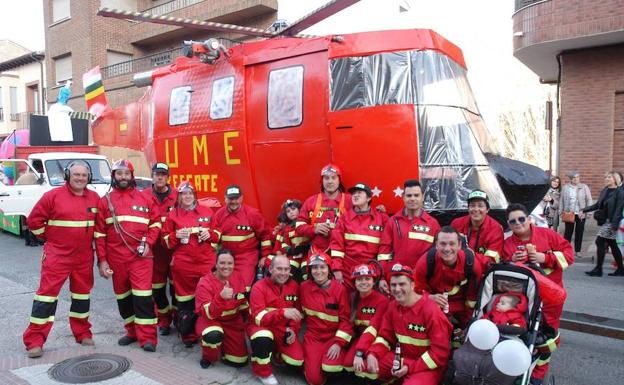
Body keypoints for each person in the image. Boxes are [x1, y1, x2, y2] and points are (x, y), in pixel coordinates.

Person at [22, 161, 100, 358]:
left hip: (83, 256)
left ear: (88, 177)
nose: (80, 178)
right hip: (58, 255)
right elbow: (34, 222)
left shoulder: (94, 197)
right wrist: (49, 239)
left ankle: (82, 333)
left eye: (84, 175)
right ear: (67, 175)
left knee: (82, 296)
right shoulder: (53, 196)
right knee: (46, 297)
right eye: (76, 174)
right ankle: (35, 341)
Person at [502, 203, 574, 385]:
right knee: (526, 335)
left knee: (547, 338)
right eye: (513, 221)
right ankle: (520, 369)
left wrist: (546, 258)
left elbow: (569, 255)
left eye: (521, 219)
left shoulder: (547, 235)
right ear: (508, 225)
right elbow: (501, 271)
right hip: (523, 300)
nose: (518, 223)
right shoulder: (508, 244)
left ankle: (537, 376)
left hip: (551, 299)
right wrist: (511, 261)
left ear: (529, 219)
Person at [95, 159, 161, 352]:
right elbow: (99, 235)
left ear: (132, 176)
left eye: (126, 174)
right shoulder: (105, 201)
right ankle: (132, 332)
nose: (123, 177)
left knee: (143, 297)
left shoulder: (146, 198)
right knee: (123, 298)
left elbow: (156, 223)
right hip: (116, 259)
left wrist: (148, 243)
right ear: (114, 176)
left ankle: (148, 338)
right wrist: (103, 261)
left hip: (141, 258)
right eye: (119, 173)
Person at [362, 263, 452, 385]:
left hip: (427, 366)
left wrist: (410, 368)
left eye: (402, 284)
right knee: (366, 366)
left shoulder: (431, 311)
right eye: (393, 285)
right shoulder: (393, 306)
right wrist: (373, 353)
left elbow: (439, 354)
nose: (397, 289)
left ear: (412, 285)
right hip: (401, 359)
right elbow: (385, 338)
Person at [163, 181, 221, 346]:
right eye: (183, 194)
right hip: (184, 265)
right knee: (186, 300)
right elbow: (165, 242)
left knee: (208, 297)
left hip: (206, 263)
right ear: (179, 197)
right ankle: (187, 333)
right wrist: (175, 235)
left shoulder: (207, 212)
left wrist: (209, 234)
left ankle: (209, 331)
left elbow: (218, 234)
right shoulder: (173, 215)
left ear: (195, 195)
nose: (187, 197)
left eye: (190, 193)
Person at [414, 226, 482, 335]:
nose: (447, 249)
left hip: (462, 307)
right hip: (434, 305)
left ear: (459, 245)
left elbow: (472, 299)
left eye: (452, 244)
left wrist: (467, 325)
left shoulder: (471, 264)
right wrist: (429, 298)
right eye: (443, 244)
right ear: (436, 245)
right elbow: (415, 293)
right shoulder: (425, 263)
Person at [248, 254, 304, 385]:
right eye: (279, 269)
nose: (283, 273)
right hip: (262, 327)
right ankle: (263, 372)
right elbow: (259, 318)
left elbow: (297, 313)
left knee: (297, 362)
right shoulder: (259, 287)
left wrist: (293, 329)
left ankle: (275, 353)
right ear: (271, 269)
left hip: (282, 329)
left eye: (286, 269)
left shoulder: (294, 286)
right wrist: (282, 312)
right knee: (263, 337)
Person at [300, 251, 352, 385]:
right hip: (313, 337)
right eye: (314, 268)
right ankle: (311, 367)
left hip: (333, 337)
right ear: (309, 270)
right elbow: (298, 313)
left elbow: (346, 321)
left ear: (329, 269)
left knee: (331, 366)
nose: (319, 271)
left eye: (322, 267)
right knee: (314, 380)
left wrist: (338, 343)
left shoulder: (339, 289)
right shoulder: (304, 288)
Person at [378, 179, 440, 291]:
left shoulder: (433, 224)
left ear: (422, 197)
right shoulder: (393, 221)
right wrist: (382, 277)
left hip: (421, 282)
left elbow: (437, 256)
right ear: (403, 197)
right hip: (396, 280)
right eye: (409, 195)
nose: (412, 199)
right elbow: (384, 252)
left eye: (416, 195)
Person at [194, 249, 249, 369]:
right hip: (211, 321)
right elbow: (207, 313)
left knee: (240, 361)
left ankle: (225, 346)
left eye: (230, 263)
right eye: (222, 263)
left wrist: (248, 319)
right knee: (213, 335)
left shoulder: (238, 277)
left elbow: (242, 302)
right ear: (216, 264)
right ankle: (208, 357)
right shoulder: (205, 282)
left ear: (234, 264)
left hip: (233, 323)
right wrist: (220, 297)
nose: (226, 267)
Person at [212, 185, 272, 291]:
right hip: (226, 256)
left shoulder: (252, 214)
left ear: (241, 198)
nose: (234, 201)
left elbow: (265, 235)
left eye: (236, 198)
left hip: (247, 256)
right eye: (231, 198)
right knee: (223, 286)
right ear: (225, 198)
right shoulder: (219, 215)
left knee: (244, 287)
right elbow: (214, 239)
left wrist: (265, 256)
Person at [330, 183, 388, 289]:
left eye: (359, 193)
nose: (355, 195)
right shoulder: (344, 218)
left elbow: (385, 251)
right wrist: (337, 270)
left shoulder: (381, 218)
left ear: (369, 198)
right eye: (354, 193)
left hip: (372, 271)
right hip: (347, 271)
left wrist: (382, 275)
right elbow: (336, 246)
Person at [142, 162, 178, 335]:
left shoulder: (178, 196)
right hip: (154, 251)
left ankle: (179, 318)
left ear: (167, 177)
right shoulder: (144, 195)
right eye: (157, 174)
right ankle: (164, 319)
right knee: (157, 289)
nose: (160, 177)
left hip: (174, 250)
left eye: (163, 174)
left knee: (176, 287)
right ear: (152, 176)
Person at [344, 263, 389, 380]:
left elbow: (373, 328)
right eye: (359, 279)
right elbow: (347, 323)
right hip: (361, 338)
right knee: (348, 363)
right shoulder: (351, 298)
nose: (363, 282)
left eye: (368, 278)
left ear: (374, 281)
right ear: (354, 283)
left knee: (367, 368)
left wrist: (359, 353)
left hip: (377, 339)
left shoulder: (382, 301)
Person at [295, 164, 353, 255]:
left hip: (343, 252)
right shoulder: (311, 202)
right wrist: (314, 229)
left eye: (333, 178)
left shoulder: (350, 201)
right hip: (316, 253)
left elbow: (362, 222)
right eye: (326, 178)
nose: (330, 181)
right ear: (322, 181)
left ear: (339, 180)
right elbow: (299, 227)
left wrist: (380, 212)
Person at [583, 171, 624, 276]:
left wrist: (614, 225)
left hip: (612, 222)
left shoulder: (620, 192)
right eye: (605, 177)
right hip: (605, 221)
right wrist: (584, 210)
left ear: (615, 179)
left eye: (609, 177)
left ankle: (598, 269)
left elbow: (619, 210)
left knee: (599, 241)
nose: (606, 179)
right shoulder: (605, 190)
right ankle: (621, 269)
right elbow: (597, 205)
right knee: (613, 245)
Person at [450, 189, 504, 269]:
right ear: (468, 208)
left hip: (482, 272)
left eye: (480, 206)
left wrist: (468, 254)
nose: (476, 209)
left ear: (487, 209)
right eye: (472, 205)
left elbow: (492, 261)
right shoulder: (456, 223)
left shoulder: (495, 229)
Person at [268, 199, 309, 280]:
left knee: (306, 272)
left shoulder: (307, 223)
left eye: (293, 209)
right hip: (294, 255)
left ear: (300, 209)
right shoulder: (288, 228)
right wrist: (290, 250)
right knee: (287, 271)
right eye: (288, 211)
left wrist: (306, 247)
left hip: (307, 255)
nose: (291, 212)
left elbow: (313, 237)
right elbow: (284, 244)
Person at [559, 171, 592, 255]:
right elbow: (561, 200)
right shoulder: (566, 187)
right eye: (574, 178)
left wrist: (588, 212)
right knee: (568, 232)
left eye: (577, 177)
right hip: (569, 213)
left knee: (579, 232)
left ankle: (578, 251)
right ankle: (566, 250)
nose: (576, 179)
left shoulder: (584, 187)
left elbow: (589, 200)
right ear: (571, 179)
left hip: (581, 213)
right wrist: (561, 211)